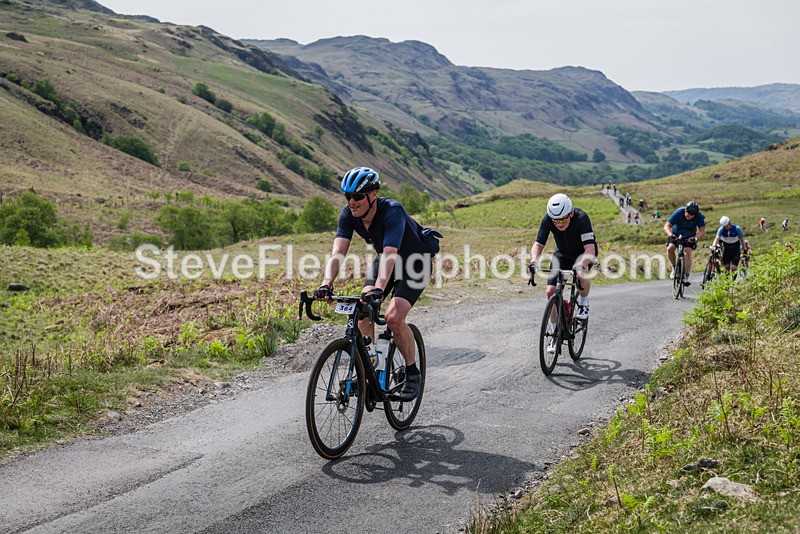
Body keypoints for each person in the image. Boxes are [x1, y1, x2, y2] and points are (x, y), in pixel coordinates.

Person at [314, 167, 441, 401]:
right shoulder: (348, 215)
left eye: (358, 197)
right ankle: (369, 367)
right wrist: (326, 283)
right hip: (385, 260)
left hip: (415, 263)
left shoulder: (392, 210)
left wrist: (379, 290)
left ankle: (412, 372)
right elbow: (338, 251)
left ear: (373, 194)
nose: (352, 202)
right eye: (348, 197)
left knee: (393, 318)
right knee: (362, 309)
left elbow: (391, 253)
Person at [528, 193, 598, 354]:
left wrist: (580, 265)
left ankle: (584, 303)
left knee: (581, 272)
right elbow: (538, 245)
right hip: (562, 254)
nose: (559, 223)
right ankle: (554, 334)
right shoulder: (548, 219)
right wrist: (533, 262)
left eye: (562, 219)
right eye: (555, 220)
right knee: (550, 292)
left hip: (583, 253)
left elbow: (590, 249)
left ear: (570, 213)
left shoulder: (581, 218)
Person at [664, 200, 706, 285]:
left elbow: (702, 231)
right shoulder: (679, 211)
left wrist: (695, 238)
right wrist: (670, 234)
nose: (690, 216)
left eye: (692, 215)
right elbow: (667, 226)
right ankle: (674, 267)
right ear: (685, 210)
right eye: (688, 214)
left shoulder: (699, 215)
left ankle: (686, 275)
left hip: (689, 237)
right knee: (670, 248)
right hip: (676, 235)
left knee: (688, 252)